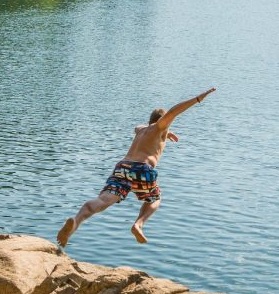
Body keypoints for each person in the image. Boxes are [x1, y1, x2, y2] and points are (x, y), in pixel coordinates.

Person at [57, 87, 216, 247]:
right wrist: (198, 99)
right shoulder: (160, 127)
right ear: (162, 122)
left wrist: (166, 133)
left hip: (122, 167)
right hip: (141, 169)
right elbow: (173, 112)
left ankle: (75, 222)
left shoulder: (142, 130)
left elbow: (138, 126)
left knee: (103, 200)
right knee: (155, 199)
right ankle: (138, 224)